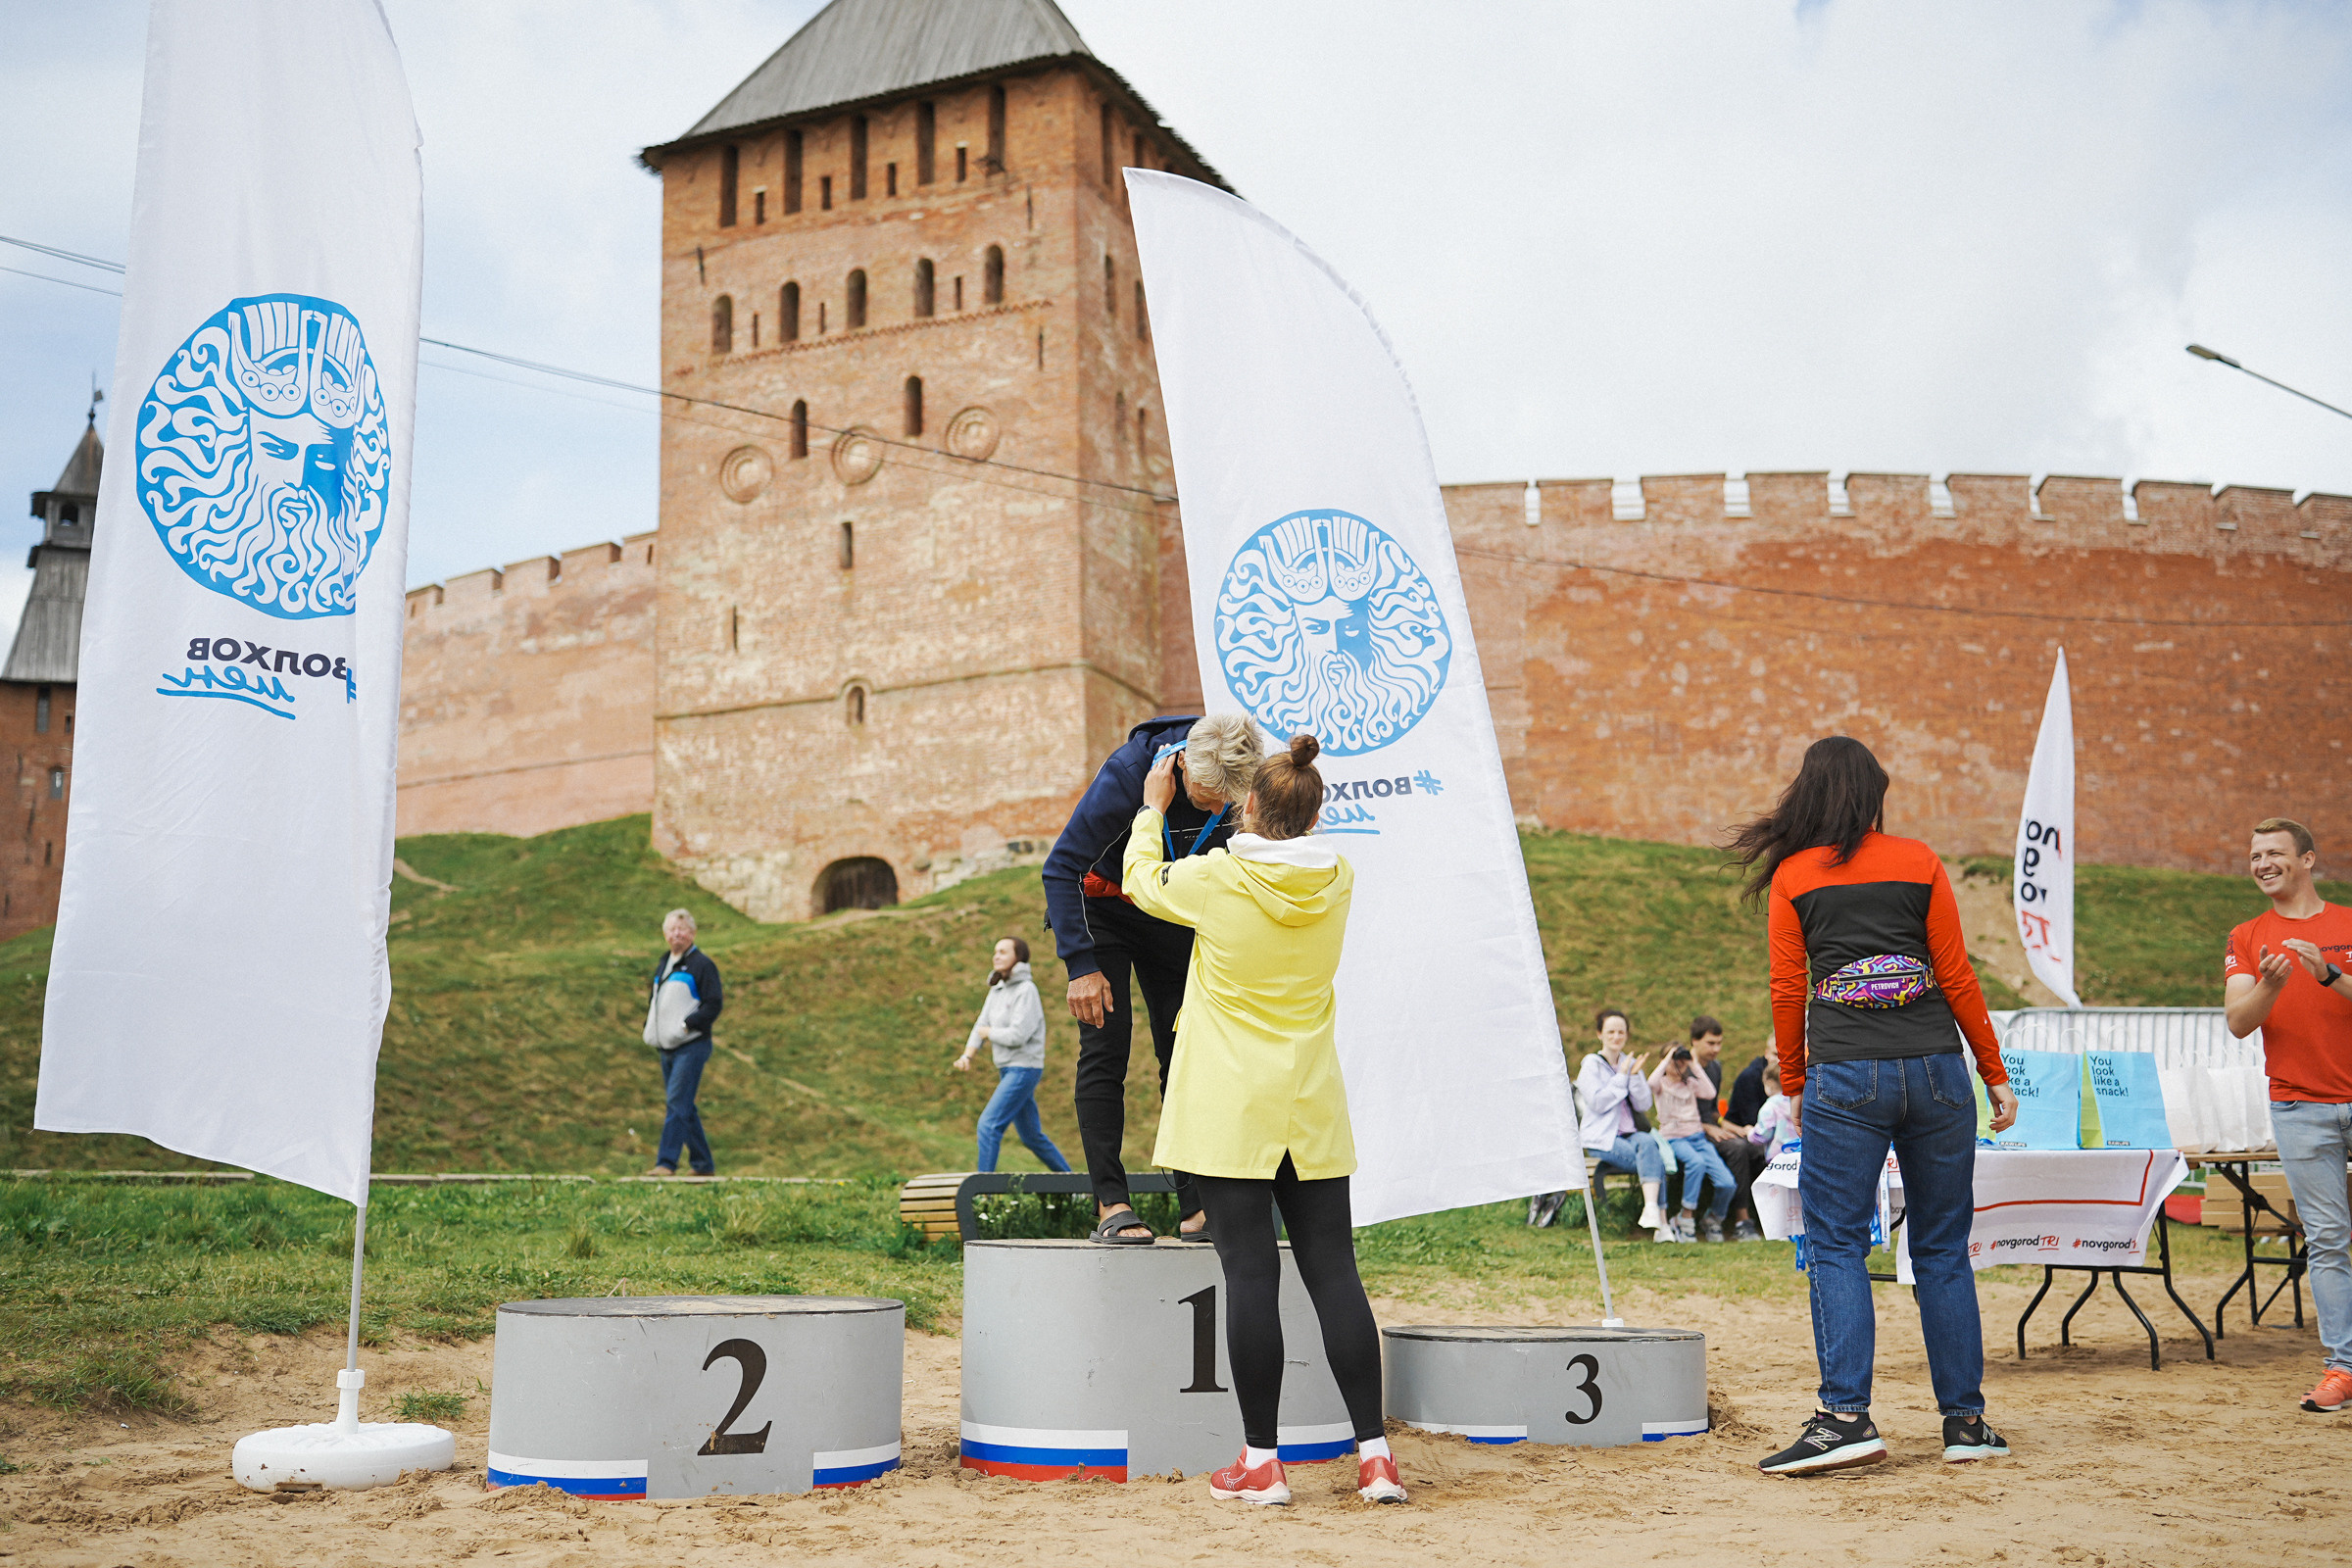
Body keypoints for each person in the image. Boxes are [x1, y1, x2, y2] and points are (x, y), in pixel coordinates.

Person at [1124, 732, 1405, 1507]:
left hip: (1230, 1107)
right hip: (1310, 1102)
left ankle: (1261, 1462)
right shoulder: (1341, 877)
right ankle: (1376, 1459)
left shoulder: (1218, 877)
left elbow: (1141, 881)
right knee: (1336, 1274)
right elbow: (1298, 840)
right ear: (1316, 816)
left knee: (1251, 1275)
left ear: (1248, 804)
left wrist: (1153, 811)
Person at [1726, 735, 2020, 1475]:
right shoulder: (1919, 861)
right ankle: (1966, 1425)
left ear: (1811, 795)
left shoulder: (1795, 876)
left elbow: (1789, 990)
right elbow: (1956, 975)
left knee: (1835, 1243)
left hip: (1845, 1076)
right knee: (1943, 1248)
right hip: (1937, 1074)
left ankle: (1844, 1419)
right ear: (1874, 794)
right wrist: (1994, 1073)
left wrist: (1793, 1080)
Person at [1043, 713, 1264, 1243]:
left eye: (1226, 801)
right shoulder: (1127, 775)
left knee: (1185, 1049)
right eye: (1207, 796)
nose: (1215, 810)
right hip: (1104, 907)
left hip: (1168, 904)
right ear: (1181, 763)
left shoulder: (1234, 778)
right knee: (1106, 1046)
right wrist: (1082, 966)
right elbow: (1061, 866)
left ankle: (1196, 1207)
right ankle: (1111, 1204)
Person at [2221, 816, 2352, 1414]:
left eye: (2274, 852)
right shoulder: (2248, 935)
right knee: (2328, 1239)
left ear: (2307, 859)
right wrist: (2273, 983)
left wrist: (2327, 974)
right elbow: (2239, 1020)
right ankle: (2342, 1370)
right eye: (2254, 855)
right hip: (2298, 1106)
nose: (2262, 862)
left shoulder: (2347, 923)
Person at [955, 936, 1072, 1175]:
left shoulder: (1027, 990)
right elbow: (981, 1023)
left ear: (1018, 958)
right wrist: (968, 1056)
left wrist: (989, 1033)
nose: (996, 956)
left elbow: (1018, 1035)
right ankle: (1079, 1187)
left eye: (1003, 952)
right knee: (1032, 1137)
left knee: (988, 1125)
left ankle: (983, 1194)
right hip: (1007, 1068)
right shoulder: (997, 989)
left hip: (1024, 1068)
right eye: (995, 951)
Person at [641, 907, 722, 1177]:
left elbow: (713, 1004)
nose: (677, 934)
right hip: (666, 1046)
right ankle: (703, 1165)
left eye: (682, 929)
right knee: (683, 1104)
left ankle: (666, 1163)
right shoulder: (664, 963)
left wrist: (688, 1025)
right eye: (672, 929)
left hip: (692, 1044)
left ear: (693, 933)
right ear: (665, 934)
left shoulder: (702, 965)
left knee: (677, 1101)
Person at [1690, 1017, 1768, 1241]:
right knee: (1736, 1148)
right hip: (1690, 1132)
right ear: (1694, 1041)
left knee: (1754, 1146)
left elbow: (1712, 1110)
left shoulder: (1715, 1068)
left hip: (1710, 1127)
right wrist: (1708, 1128)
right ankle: (1742, 1221)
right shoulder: (1682, 1067)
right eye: (1711, 1043)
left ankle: (1768, 1215)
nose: (1717, 1049)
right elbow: (1675, 1111)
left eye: (1719, 1043)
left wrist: (1732, 1126)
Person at [1650, 1045, 1739, 1243]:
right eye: (1675, 1060)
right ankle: (1685, 1218)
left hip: (1697, 1137)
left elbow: (1710, 1092)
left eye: (1680, 1060)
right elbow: (1650, 1083)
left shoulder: (1690, 1083)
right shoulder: (1661, 1084)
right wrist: (1667, 1059)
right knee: (1696, 1163)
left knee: (1727, 1183)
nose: (1678, 1064)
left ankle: (1713, 1218)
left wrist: (1693, 1063)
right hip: (1674, 1137)